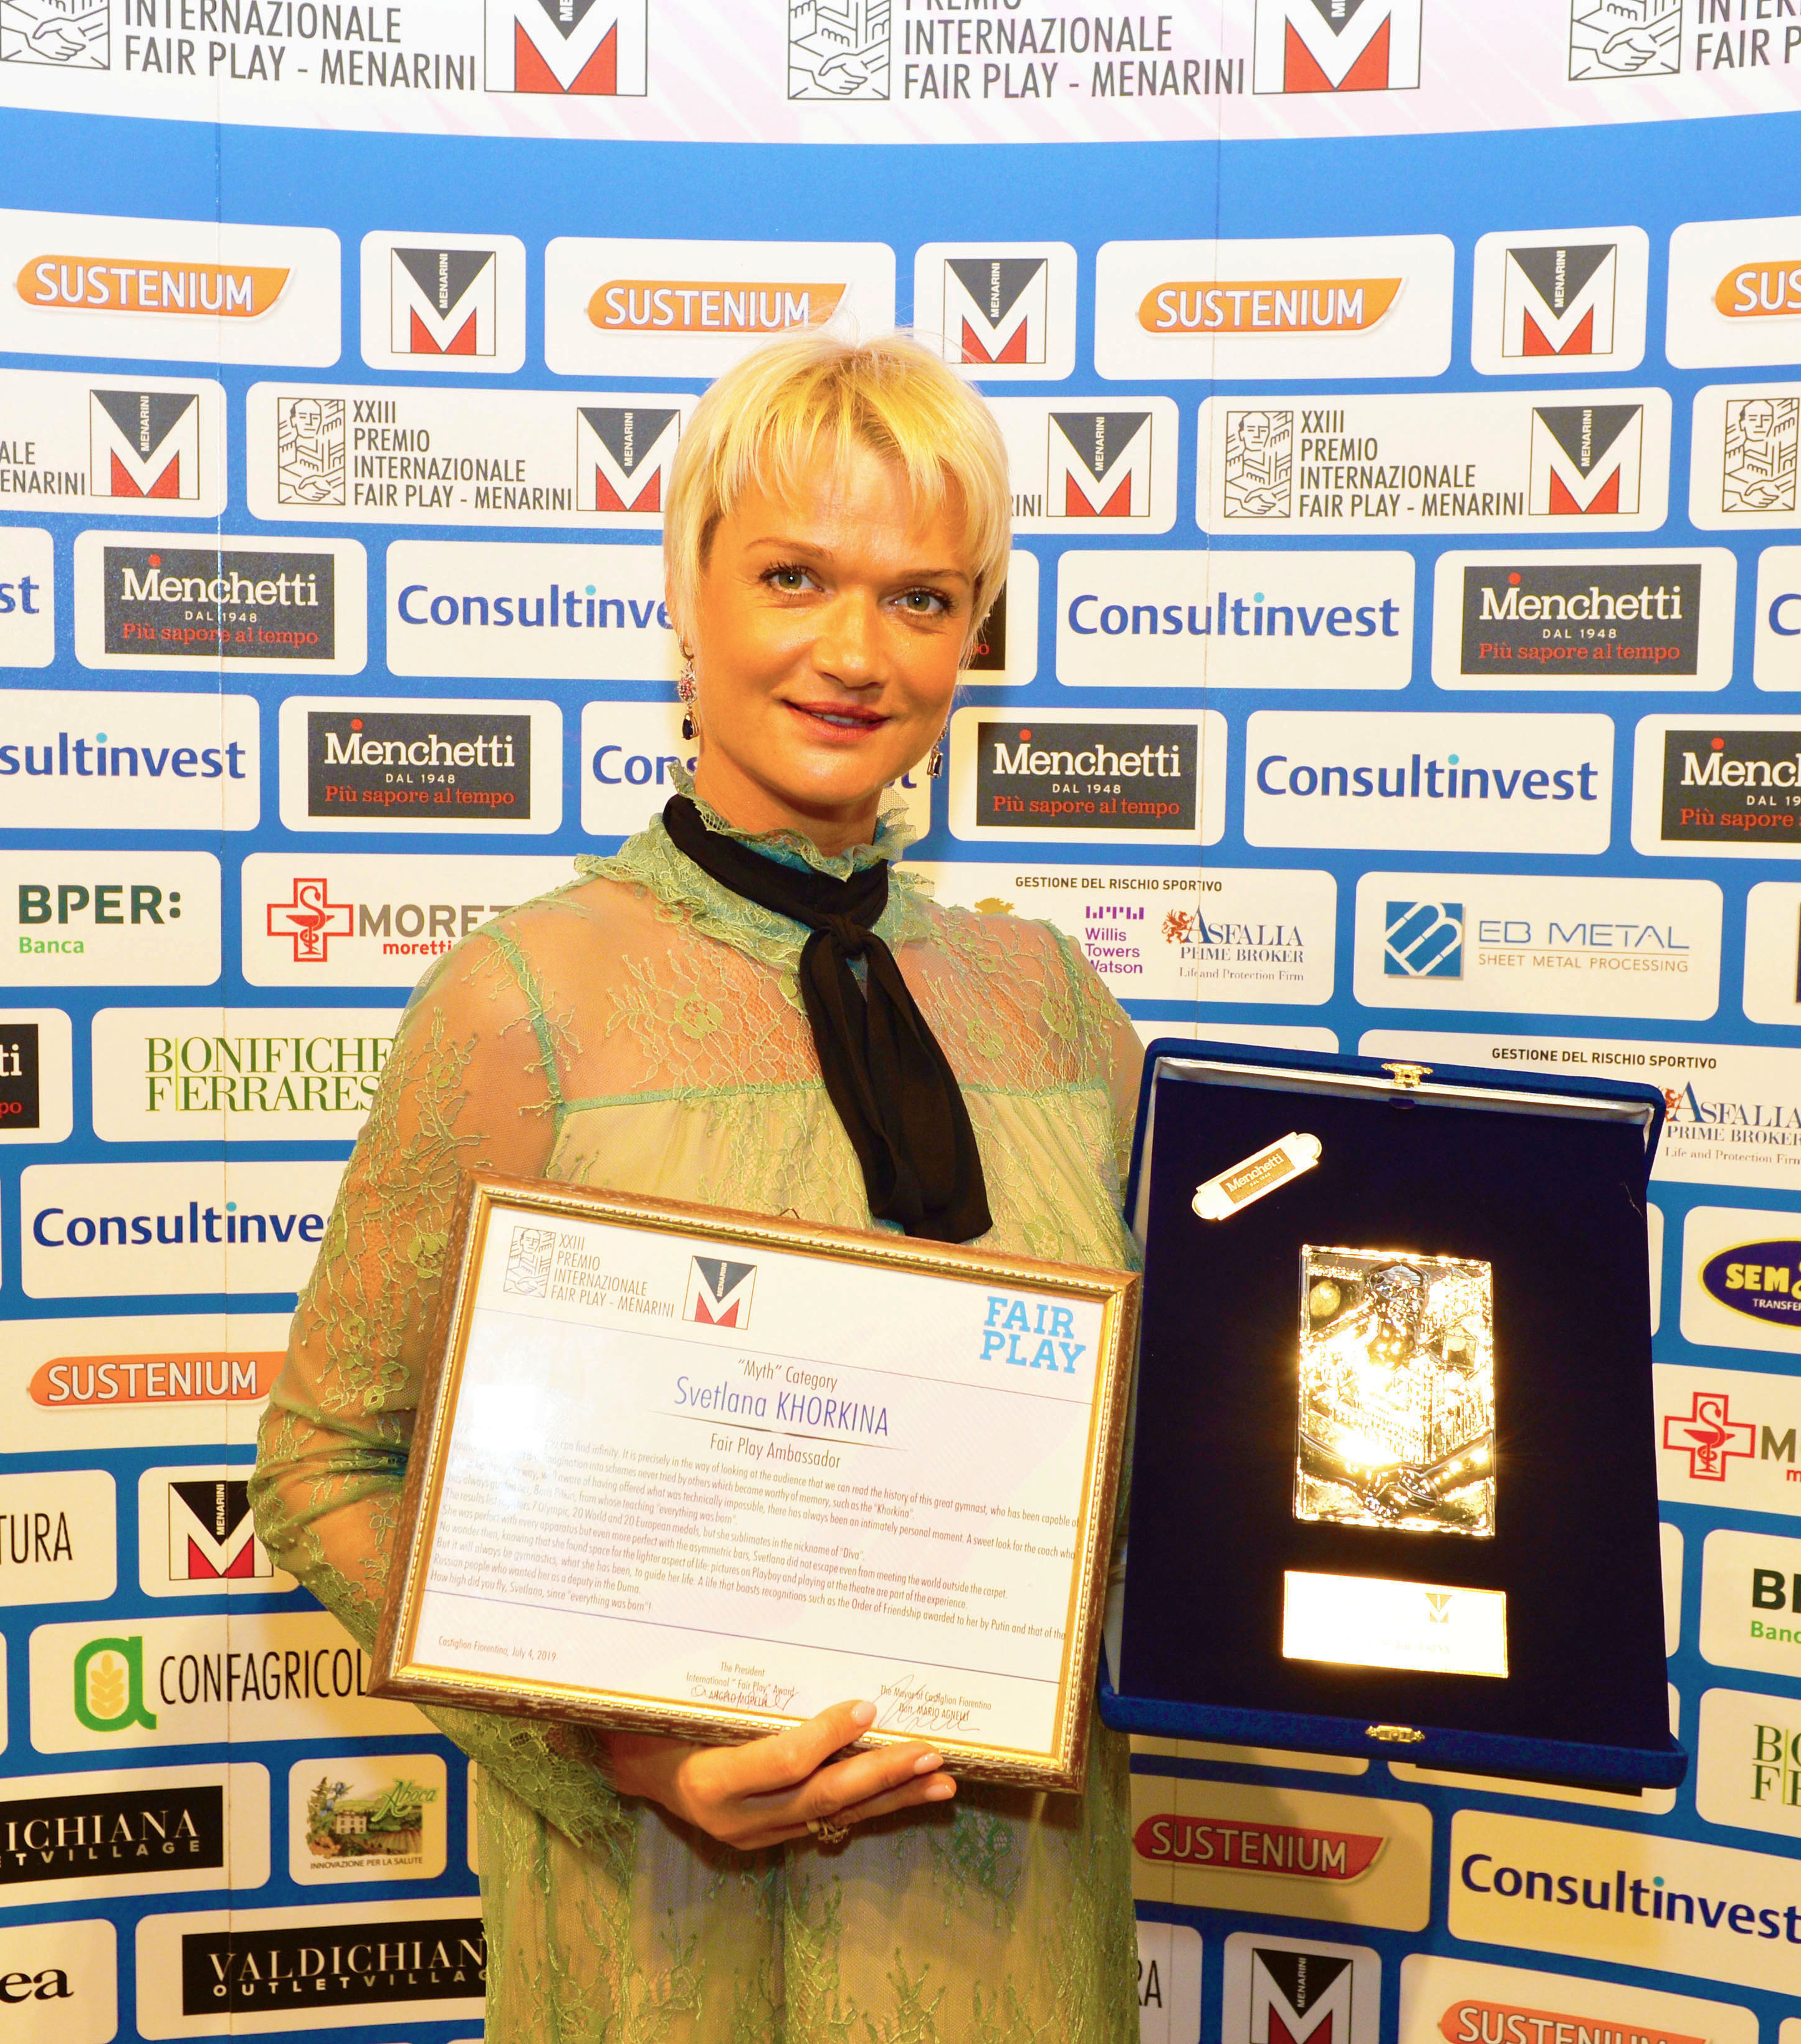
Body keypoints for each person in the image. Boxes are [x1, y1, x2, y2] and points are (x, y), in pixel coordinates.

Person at [255, 330, 1145, 2043]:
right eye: (794, 576)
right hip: (664, 1944)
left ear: (975, 635)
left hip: (1012, 1945)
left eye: (921, 598)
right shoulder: (525, 1000)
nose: (854, 653)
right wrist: (624, 1750)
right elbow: (323, 1463)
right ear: (686, 591)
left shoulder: (1053, 1007)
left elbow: (1173, 1463)